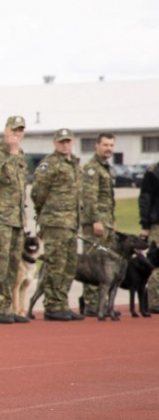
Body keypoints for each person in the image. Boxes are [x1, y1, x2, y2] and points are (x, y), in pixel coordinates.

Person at [0, 117, 30, 324]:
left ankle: (7, 307)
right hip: (0, 217)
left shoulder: (20, 155)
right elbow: (6, 176)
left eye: (20, 131)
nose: (16, 134)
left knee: (12, 264)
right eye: (13, 130)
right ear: (5, 130)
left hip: (17, 218)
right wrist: (12, 152)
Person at [31, 128, 83, 321]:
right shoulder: (49, 164)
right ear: (55, 143)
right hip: (55, 223)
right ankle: (52, 305)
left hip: (71, 223)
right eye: (61, 141)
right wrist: (46, 213)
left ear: (73, 142)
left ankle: (62, 303)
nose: (65, 144)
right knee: (56, 264)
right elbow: (38, 193)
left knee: (69, 265)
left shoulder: (74, 164)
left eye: (68, 141)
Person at [78, 132, 117, 315]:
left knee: (105, 265)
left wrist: (113, 220)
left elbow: (108, 198)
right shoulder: (92, 168)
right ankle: (91, 304)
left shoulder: (106, 168)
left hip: (107, 222)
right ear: (97, 145)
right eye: (105, 145)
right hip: (96, 224)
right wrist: (96, 220)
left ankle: (103, 305)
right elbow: (89, 198)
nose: (108, 148)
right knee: (92, 265)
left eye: (111, 145)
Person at [140, 160, 159, 305]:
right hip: (157, 223)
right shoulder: (153, 171)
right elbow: (145, 199)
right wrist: (145, 224)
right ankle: (154, 301)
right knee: (156, 263)